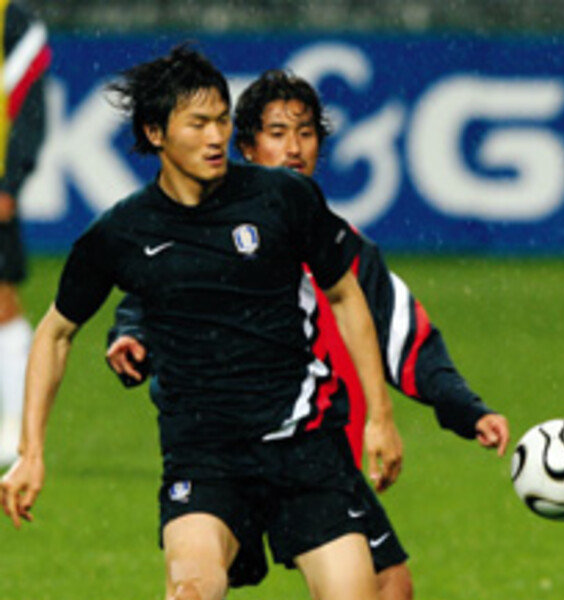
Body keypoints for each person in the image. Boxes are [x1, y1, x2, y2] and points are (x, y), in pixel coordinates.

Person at [0, 46, 404, 600]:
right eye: (198, 124)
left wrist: (380, 416)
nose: (216, 137)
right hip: (204, 456)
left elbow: (344, 294)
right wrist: (31, 452)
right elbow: (55, 333)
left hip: (303, 444)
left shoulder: (282, 197)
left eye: (221, 120)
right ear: (156, 133)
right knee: (192, 589)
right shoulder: (122, 233)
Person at [106, 69, 510, 600]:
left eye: (305, 133)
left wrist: (466, 409)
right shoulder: (205, 229)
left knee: (390, 586)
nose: (294, 148)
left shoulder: (341, 247)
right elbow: (153, 292)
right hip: (219, 450)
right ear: (246, 147)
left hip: (311, 449)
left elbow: (406, 338)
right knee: (199, 582)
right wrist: (130, 333)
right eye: (277, 133)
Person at [0, 1, 51, 465]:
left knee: (1, 301)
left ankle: (17, 425)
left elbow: (31, 105)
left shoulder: (11, 19)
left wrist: (11, 182)